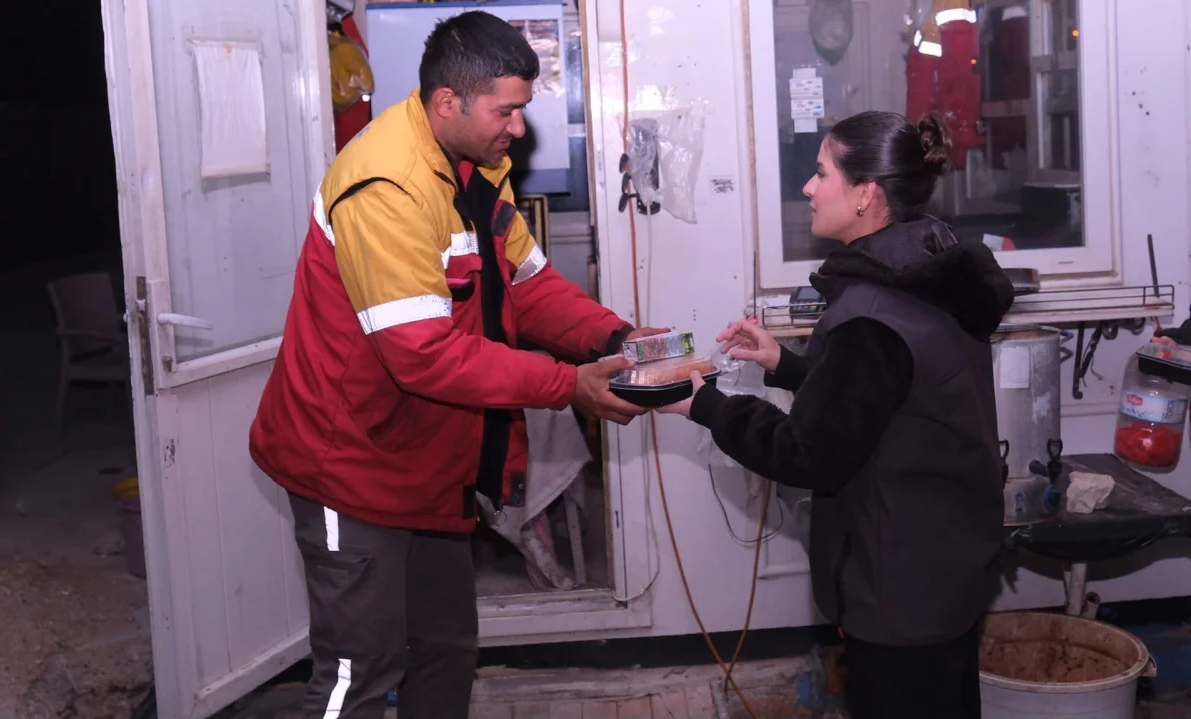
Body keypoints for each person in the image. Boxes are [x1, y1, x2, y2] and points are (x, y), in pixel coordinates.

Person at [249, 11, 662, 719]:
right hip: (349, 464)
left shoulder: (478, 171)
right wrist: (568, 386)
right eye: (508, 110)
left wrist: (615, 338)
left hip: (426, 460)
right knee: (359, 672)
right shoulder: (385, 186)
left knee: (446, 647)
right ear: (449, 103)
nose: (520, 128)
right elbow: (424, 357)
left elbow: (527, 285)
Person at [662, 111, 1014, 719]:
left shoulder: (872, 314)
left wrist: (709, 405)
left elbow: (809, 452)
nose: (807, 187)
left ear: (865, 194)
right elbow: (891, 400)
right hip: (947, 568)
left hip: (897, 591)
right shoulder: (934, 273)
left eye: (821, 172)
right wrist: (786, 364)